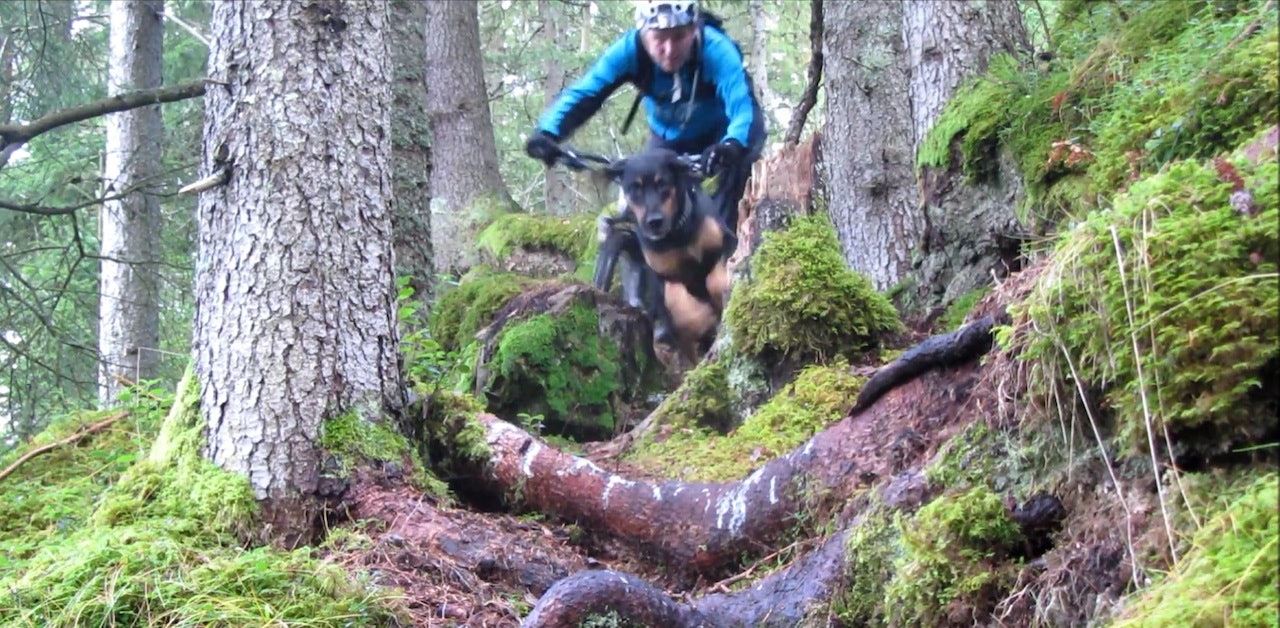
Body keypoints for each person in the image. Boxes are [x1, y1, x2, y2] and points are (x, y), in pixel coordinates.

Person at [525, 0, 766, 346]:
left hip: (728, 135)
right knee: (651, 215)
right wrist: (548, 132)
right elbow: (587, 91)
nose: (668, 50)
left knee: (722, 221)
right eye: (659, 39)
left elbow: (739, 104)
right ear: (644, 33)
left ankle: (736, 302)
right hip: (669, 139)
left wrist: (731, 146)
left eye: (679, 37)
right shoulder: (630, 51)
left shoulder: (715, 49)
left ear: (694, 30)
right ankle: (665, 315)